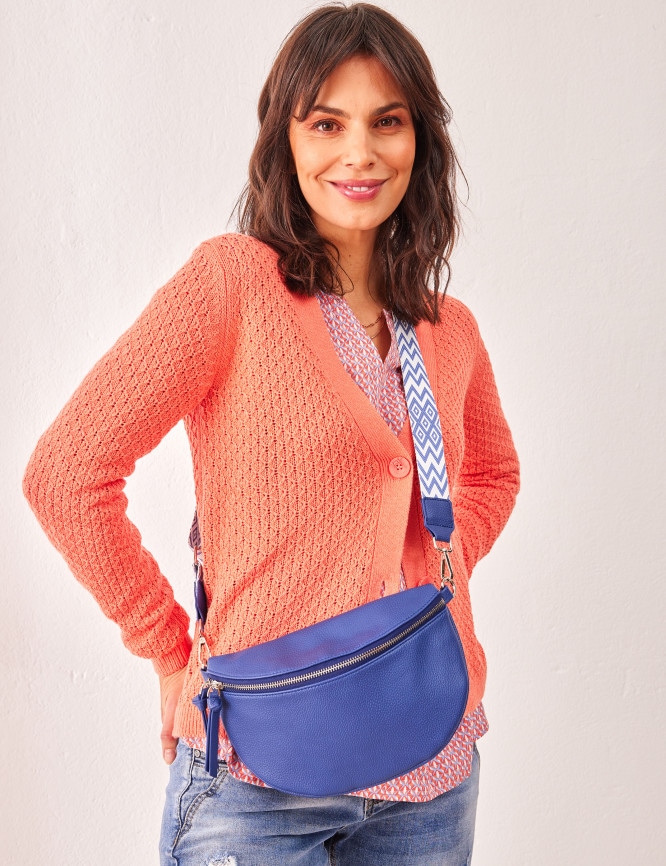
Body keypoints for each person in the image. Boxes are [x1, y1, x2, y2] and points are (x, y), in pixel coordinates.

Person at [23, 3, 519, 863]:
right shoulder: (232, 287)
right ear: (284, 140)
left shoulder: (449, 329)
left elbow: (493, 476)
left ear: (421, 142)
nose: (359, 153)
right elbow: (65, 475)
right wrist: (169, 651)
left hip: (431, 772)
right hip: (255, 774)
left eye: (387, 122)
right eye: (326, 123)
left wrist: (430, 570)